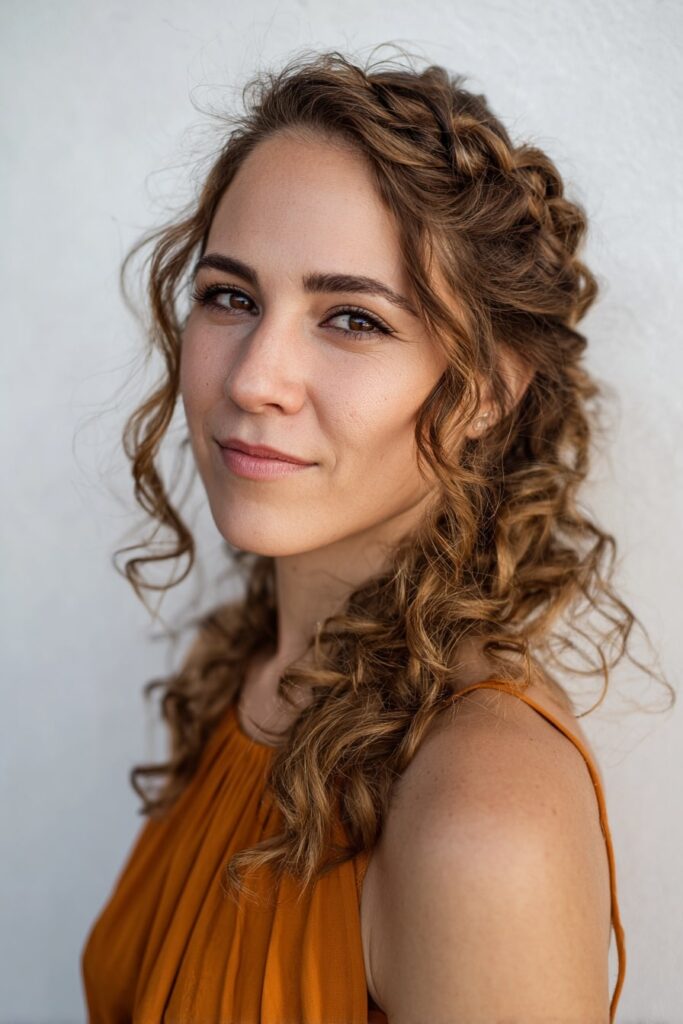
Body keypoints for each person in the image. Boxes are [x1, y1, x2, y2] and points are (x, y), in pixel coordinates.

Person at [80, 45, 663, 1023]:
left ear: (486, 389)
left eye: (351, 319)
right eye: (230, 297)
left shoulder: (479, 812)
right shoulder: (245, 675)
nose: (253, 379)